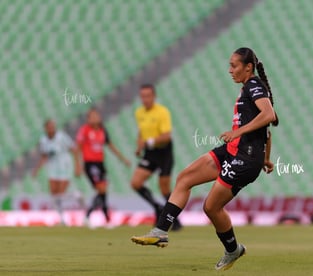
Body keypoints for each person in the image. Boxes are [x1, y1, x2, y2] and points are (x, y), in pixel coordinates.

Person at [131, 47, 279, 271]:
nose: (230, 70)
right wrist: (266, 158)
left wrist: (240, 136)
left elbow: (269, 116)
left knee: (211, 207)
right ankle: (160, 232)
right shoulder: (247, 88)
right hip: (233, 151)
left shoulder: (253, 85)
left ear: (248, 67)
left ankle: (233, 250)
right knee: (185, 178)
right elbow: (266, 130)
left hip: (245, 158)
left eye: (234, 66)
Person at [130, 84, 182, 230]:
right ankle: (158, 207)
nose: (145, 99)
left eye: (148, 96)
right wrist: (139, 146)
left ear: (154, 96)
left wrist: (149, 141)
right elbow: (142, 131)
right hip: (150, 152)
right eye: (142, 96)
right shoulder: (139, 112)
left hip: (164, 151)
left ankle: (174, 220)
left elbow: (166, 136)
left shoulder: (162, 112)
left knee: (164, 187)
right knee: (135, 182)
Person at [76, 108, 131, 225]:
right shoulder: (84, 130)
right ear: (88, 119)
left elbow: (111, 146)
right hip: (90, 164)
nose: (95, 118)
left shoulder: (102, 130)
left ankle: (101, 217)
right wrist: (78, 165)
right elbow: (78, 148)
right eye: (92, 116)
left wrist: (123, 159)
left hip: (100, 164)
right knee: (102, 189)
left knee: (103, 192)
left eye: (96, 116)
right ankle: (94, 215)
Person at [32, 119, 82, 225]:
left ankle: (75, 196)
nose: (51, 128)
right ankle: (62, 218)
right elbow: (44, 156)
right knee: (54, 195)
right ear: (45, 128)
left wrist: (78, 166)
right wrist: (36, 169)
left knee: (60, 193)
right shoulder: (43, 140)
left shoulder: (62, 137)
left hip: (65, 167)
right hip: (52, 168)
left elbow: (74, 150)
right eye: (49, 127)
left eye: (53, 126)